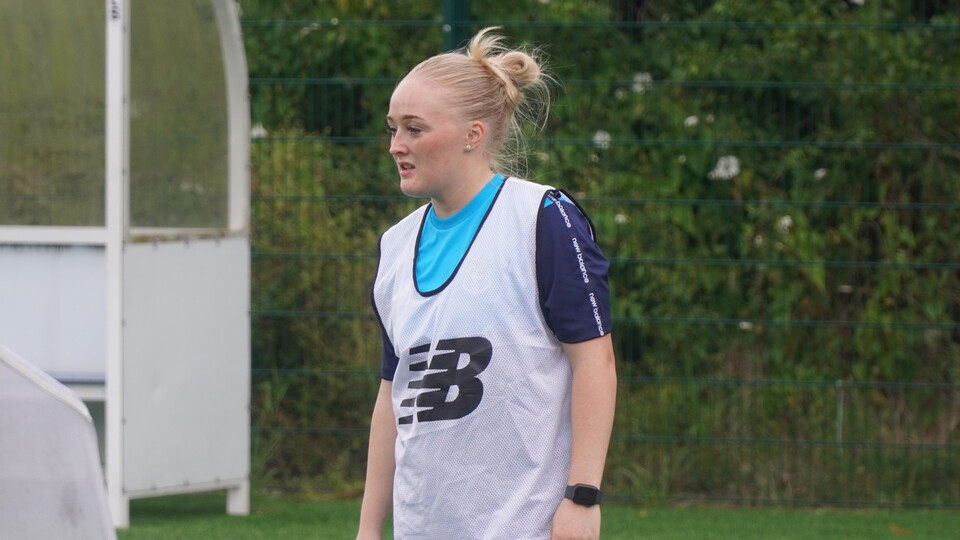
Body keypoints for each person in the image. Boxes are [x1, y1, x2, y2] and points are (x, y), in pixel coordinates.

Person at [356, 27, 617, 540]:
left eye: (414, 129)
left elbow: (595, 361)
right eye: (392, 129)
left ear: (473, 134)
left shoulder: (542, 218)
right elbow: (393, 393)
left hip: (523, 525)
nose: (396, 146)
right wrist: (369, 528)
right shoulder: (395, 247)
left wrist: (582, 498)